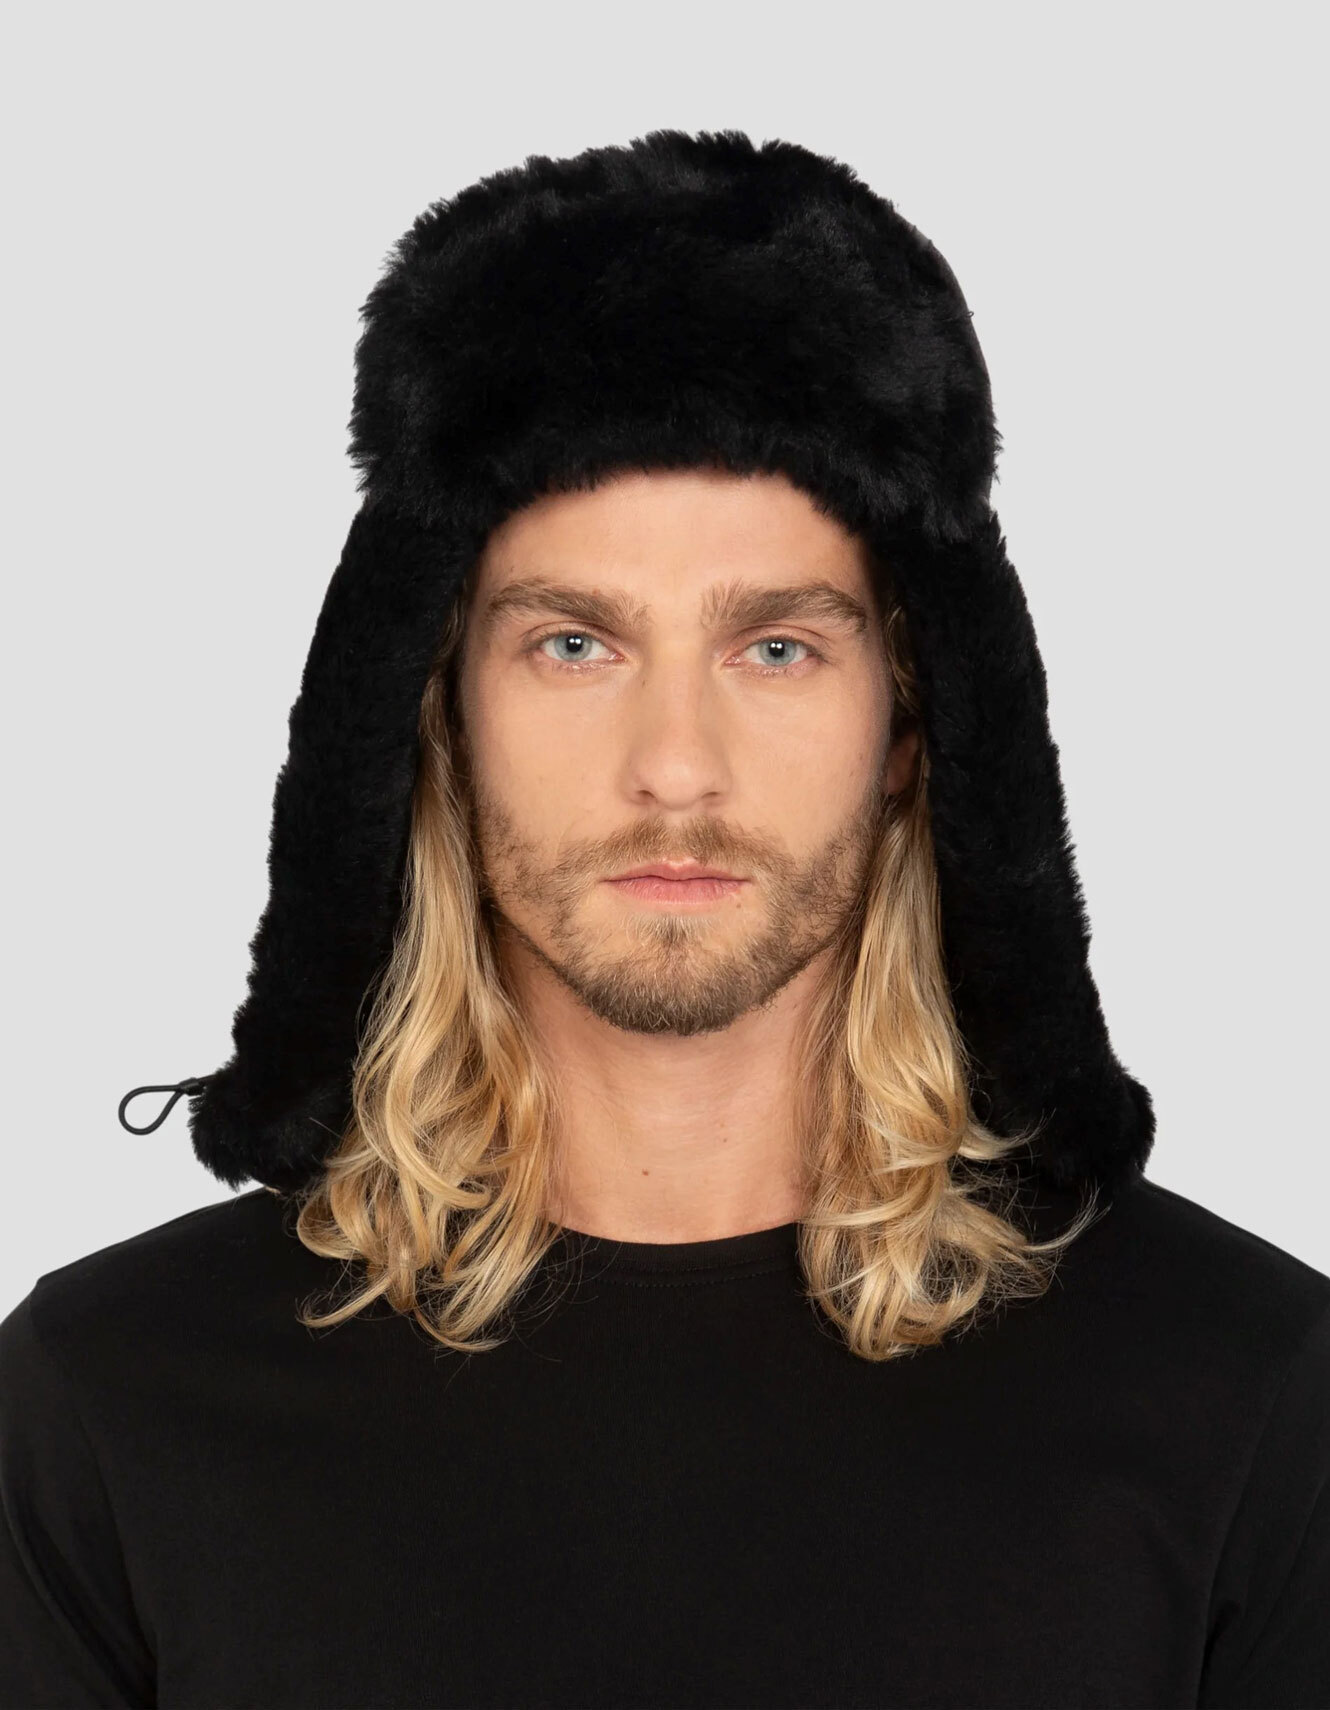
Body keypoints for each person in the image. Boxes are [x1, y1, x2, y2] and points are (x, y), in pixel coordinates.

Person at [1, 129, 1326, 1710]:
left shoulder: (1241, 1394)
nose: (676, 767)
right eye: (574, 643)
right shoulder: (114, 1402)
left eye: (776, 648)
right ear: (434, 710)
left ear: (913, 726)